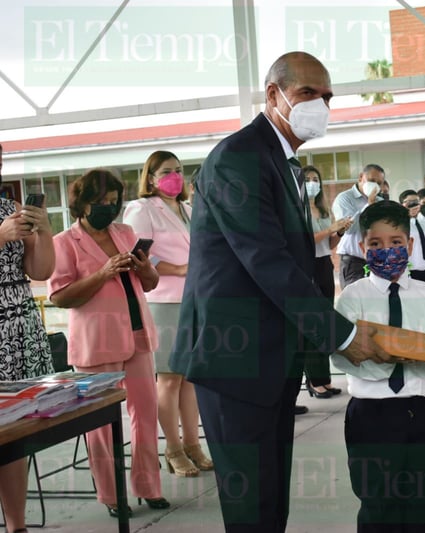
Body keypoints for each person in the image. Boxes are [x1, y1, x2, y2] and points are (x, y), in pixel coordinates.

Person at [169, 51, 390, 533]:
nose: (321, 105)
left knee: (270, 504)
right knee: (252, 509)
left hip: (268, 357)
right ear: (274, 95)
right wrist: (343, 335)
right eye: (308, 93)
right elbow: (267, 262)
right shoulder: (239, 158)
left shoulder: (281, 161)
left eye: (328, 97)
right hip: (234, 360)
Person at [330, 200, 425, 533]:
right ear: (363, 248)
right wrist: (375, 353)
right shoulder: (352, 297)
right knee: (378, 504)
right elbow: (338, 355)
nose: (386, 251)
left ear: (409, 246)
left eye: (395, 243)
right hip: (372, 415)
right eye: (376, 245)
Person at [48, 169, 170, 518]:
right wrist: (102, 273)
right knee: (101, 425)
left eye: (114, 202)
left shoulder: (126, 232)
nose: (108, 208)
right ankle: (112, 495)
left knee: (145, 415)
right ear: (82, 204)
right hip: (96, 343)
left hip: (138, 334)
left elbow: (149, 283)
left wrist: (144, 267)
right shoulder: (63, 243)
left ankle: (149, 486)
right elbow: (59, 297)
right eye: (100, 202)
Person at [122, 150, 212, 478]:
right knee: (170, 377)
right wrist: (178, 268)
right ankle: (172, 449)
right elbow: (135, 253)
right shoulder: (142, 209)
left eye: (178, 170)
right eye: (165, 171)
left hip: (195, 299)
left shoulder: (188, 208)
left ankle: (193, 444)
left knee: (190, 377)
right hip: (164, 299)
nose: (173, 175)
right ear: (150, 177)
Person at [0, 142, 55, 533]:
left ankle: (17, 525)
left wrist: (43, 232)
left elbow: (40, 271)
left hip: (19, 327)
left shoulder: (10, 210)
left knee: (12, 434)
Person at [303, 164, 350, 399]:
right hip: (306, 266)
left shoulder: (322, 209)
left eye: (315, 179)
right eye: (308, 178)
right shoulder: (297, 209)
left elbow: (328, 246)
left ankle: (325, 379)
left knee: (324, 322)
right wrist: (331, 228)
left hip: (323, 265)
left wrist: (339, 232)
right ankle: (313, 380)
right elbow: (304, 241)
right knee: (312, 323)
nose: (313, 182)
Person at [332, 164, 386, 289]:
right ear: (361, 177)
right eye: (372, 180)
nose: (375, 185)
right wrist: (370, 206)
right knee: (354, 303)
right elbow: (350, 229)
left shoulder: (381, 202)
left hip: (377, 260)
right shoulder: (344, 198)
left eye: (379, 183)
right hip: (354, 261)